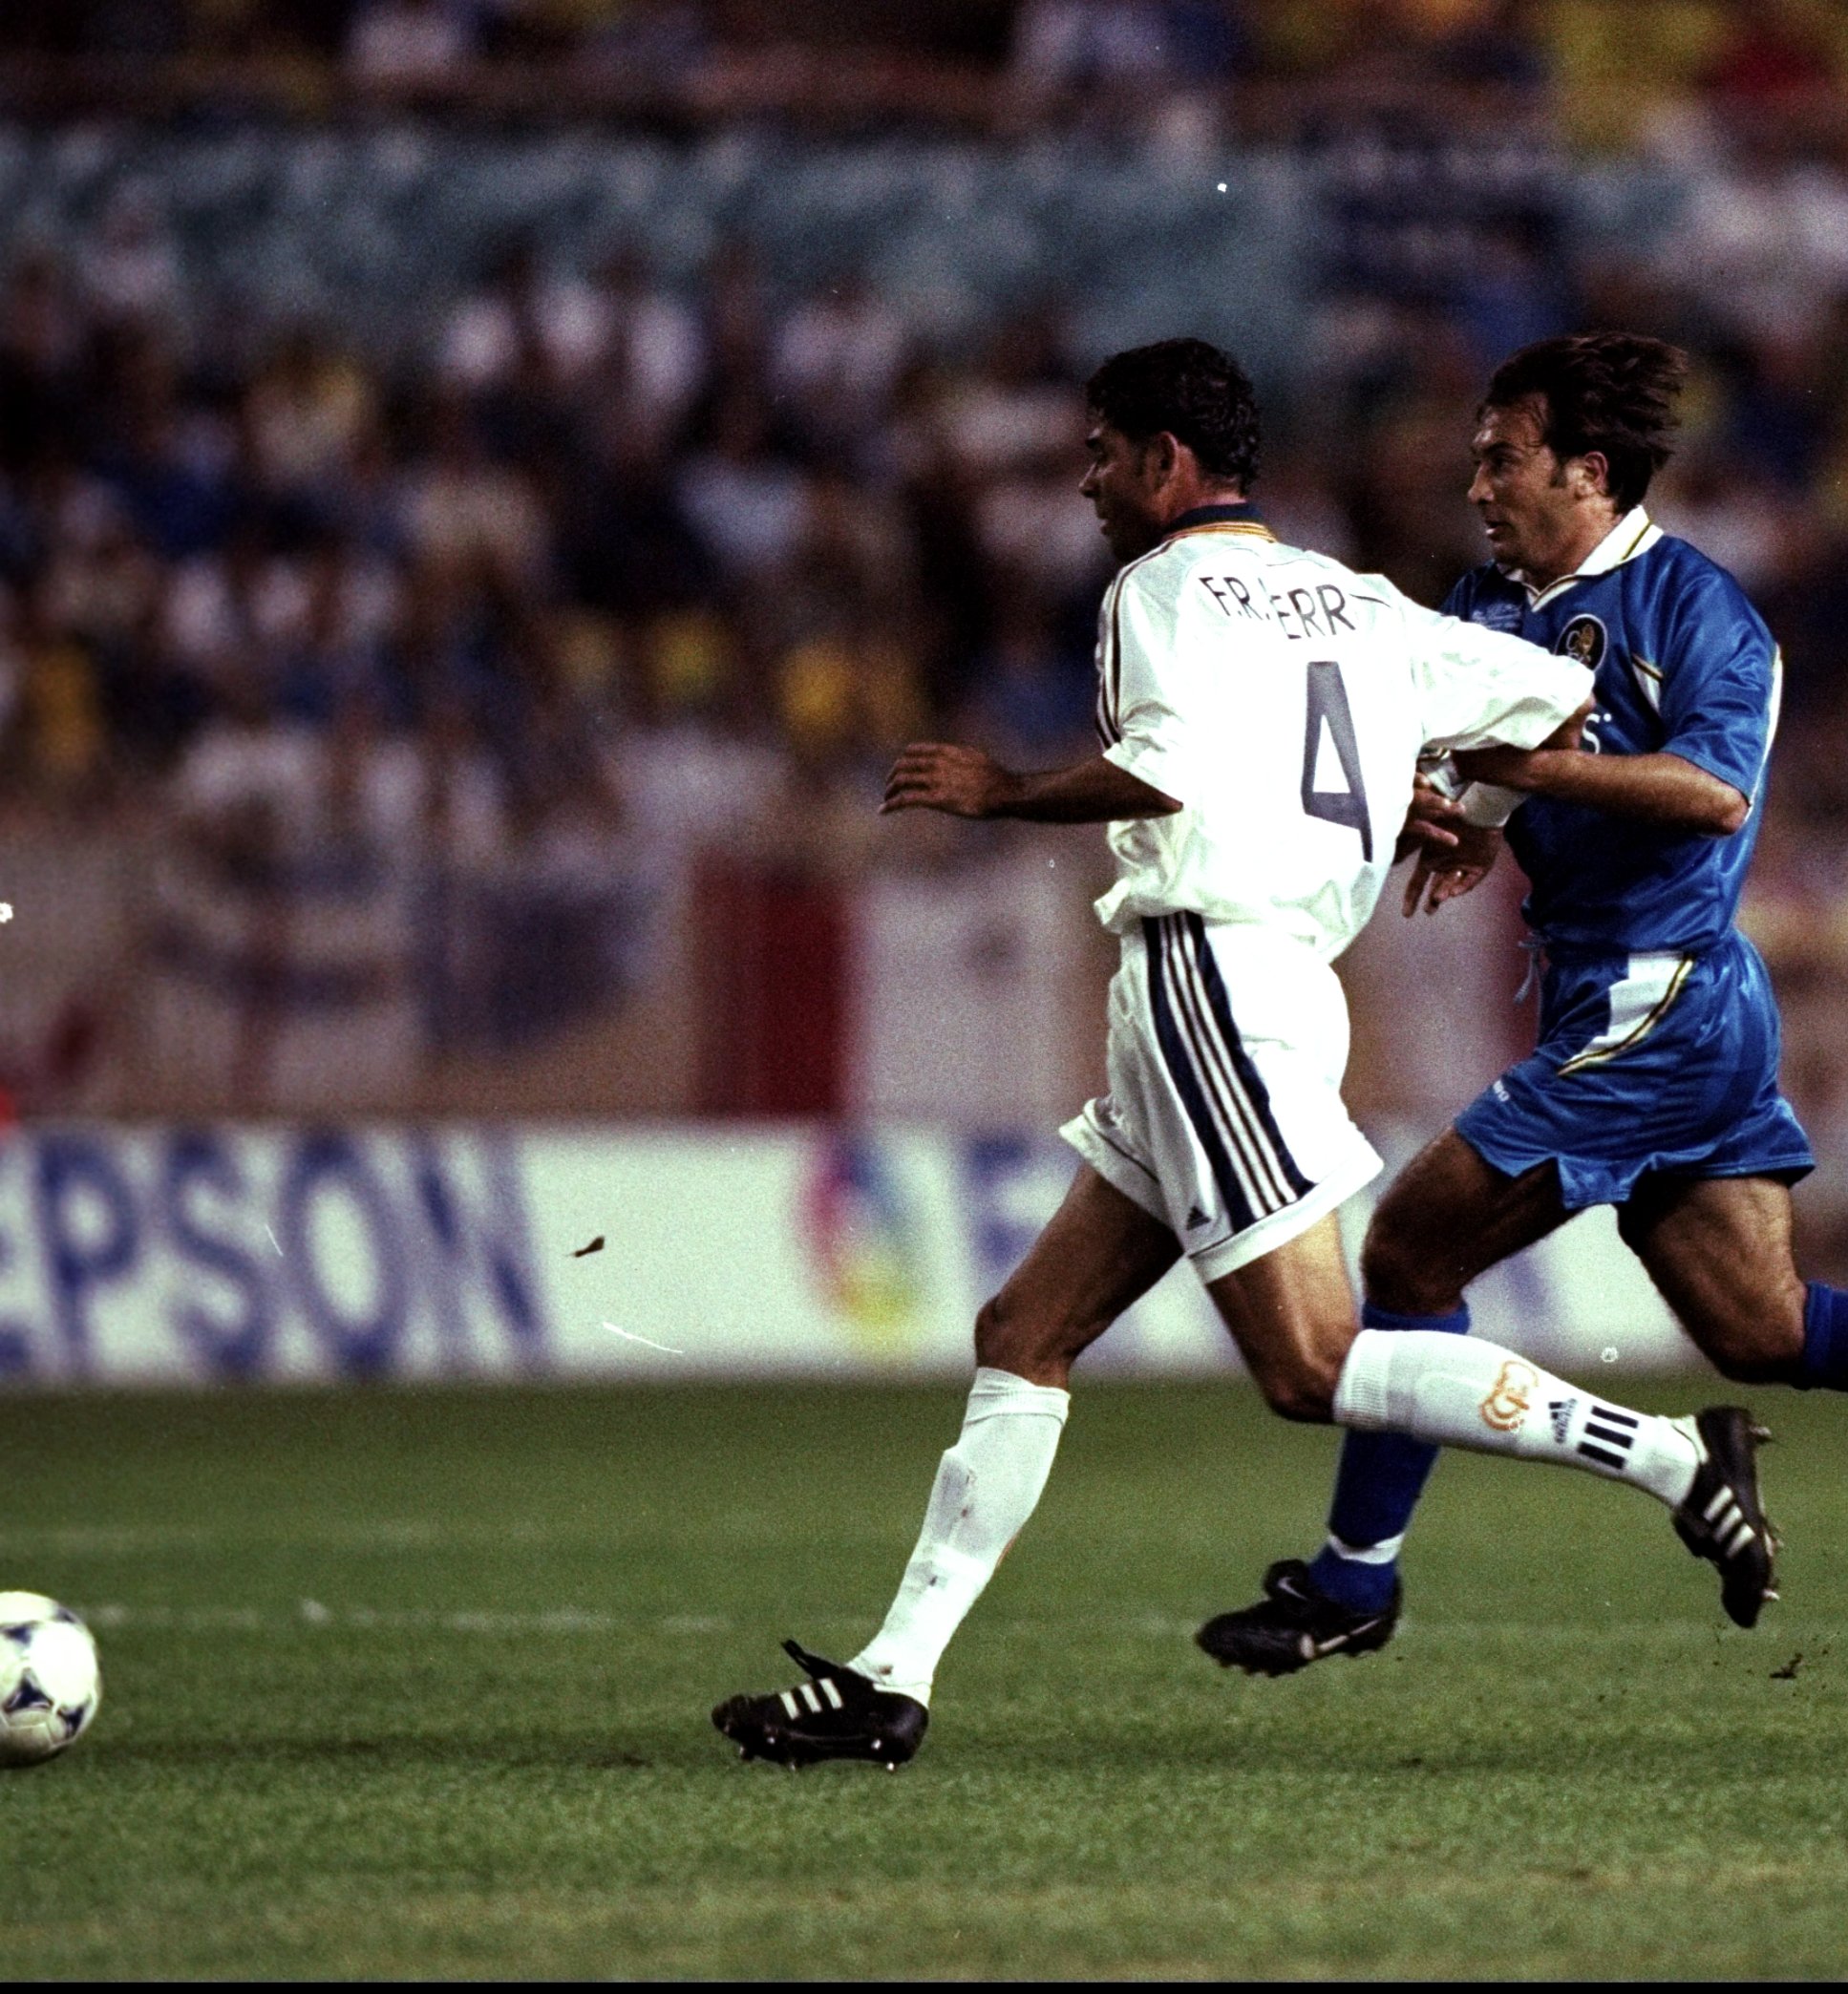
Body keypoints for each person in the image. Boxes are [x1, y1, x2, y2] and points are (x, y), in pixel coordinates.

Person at [711, 339, 1780, 1770]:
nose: (1087, 485)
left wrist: (1003, 788)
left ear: (1167, 463)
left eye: (1100, 454)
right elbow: (1549, 698)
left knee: (1310, 1366)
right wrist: (1403, 808)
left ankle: (1669, 1458)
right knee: (1025, 1335)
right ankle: (890, 1679)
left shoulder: (1153, 589)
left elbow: (1170, 766)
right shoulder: (1350, 594)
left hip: (1215, 975)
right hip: (1232, 985)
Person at [1195, 333, 1848, 1679]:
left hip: (1657, 1000)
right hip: (1647, 1008)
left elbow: (1716, 793)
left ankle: (1351, 1582)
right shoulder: (1483, 604)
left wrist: (1528, 778)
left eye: (1505, 459)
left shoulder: (1705, 613)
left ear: (1587, 471)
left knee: (1408, 1258)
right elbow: (1484, 762)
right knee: (1762, 1326)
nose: (1478, 483)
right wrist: (1476, 818)